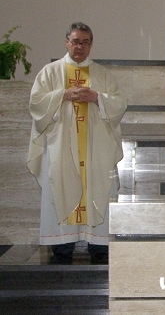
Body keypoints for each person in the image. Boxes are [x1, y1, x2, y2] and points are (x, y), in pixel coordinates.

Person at [27, 22, 127, 264]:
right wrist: (62, 94)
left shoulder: (103, 75)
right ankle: (62, 248)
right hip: (61, 147)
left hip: (96, 151)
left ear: (91, 44)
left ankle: (99, 247)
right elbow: (36, 105)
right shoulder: (50, 73)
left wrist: (97, 98)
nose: (79, 47)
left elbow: (119, 104)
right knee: (61, 188)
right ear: (66, 42)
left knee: (99, 191)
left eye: (84, 42)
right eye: (75, 41)